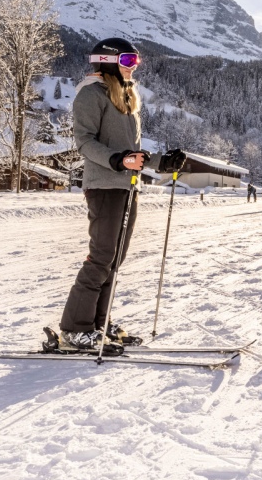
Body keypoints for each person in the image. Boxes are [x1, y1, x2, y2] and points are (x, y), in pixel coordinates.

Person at [59, 38, 186, 351]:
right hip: (104, 185)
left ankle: (98, 323)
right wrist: (117, 160)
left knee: (115, 260)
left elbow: (134, 153)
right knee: (101, 257)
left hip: (128, 186)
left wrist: (160, 163)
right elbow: (85, 143)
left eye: (136, 62)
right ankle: (75, 329)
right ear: (108, 61)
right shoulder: (91, 94)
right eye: (129, 61)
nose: (134, 67)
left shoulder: (128, 98)